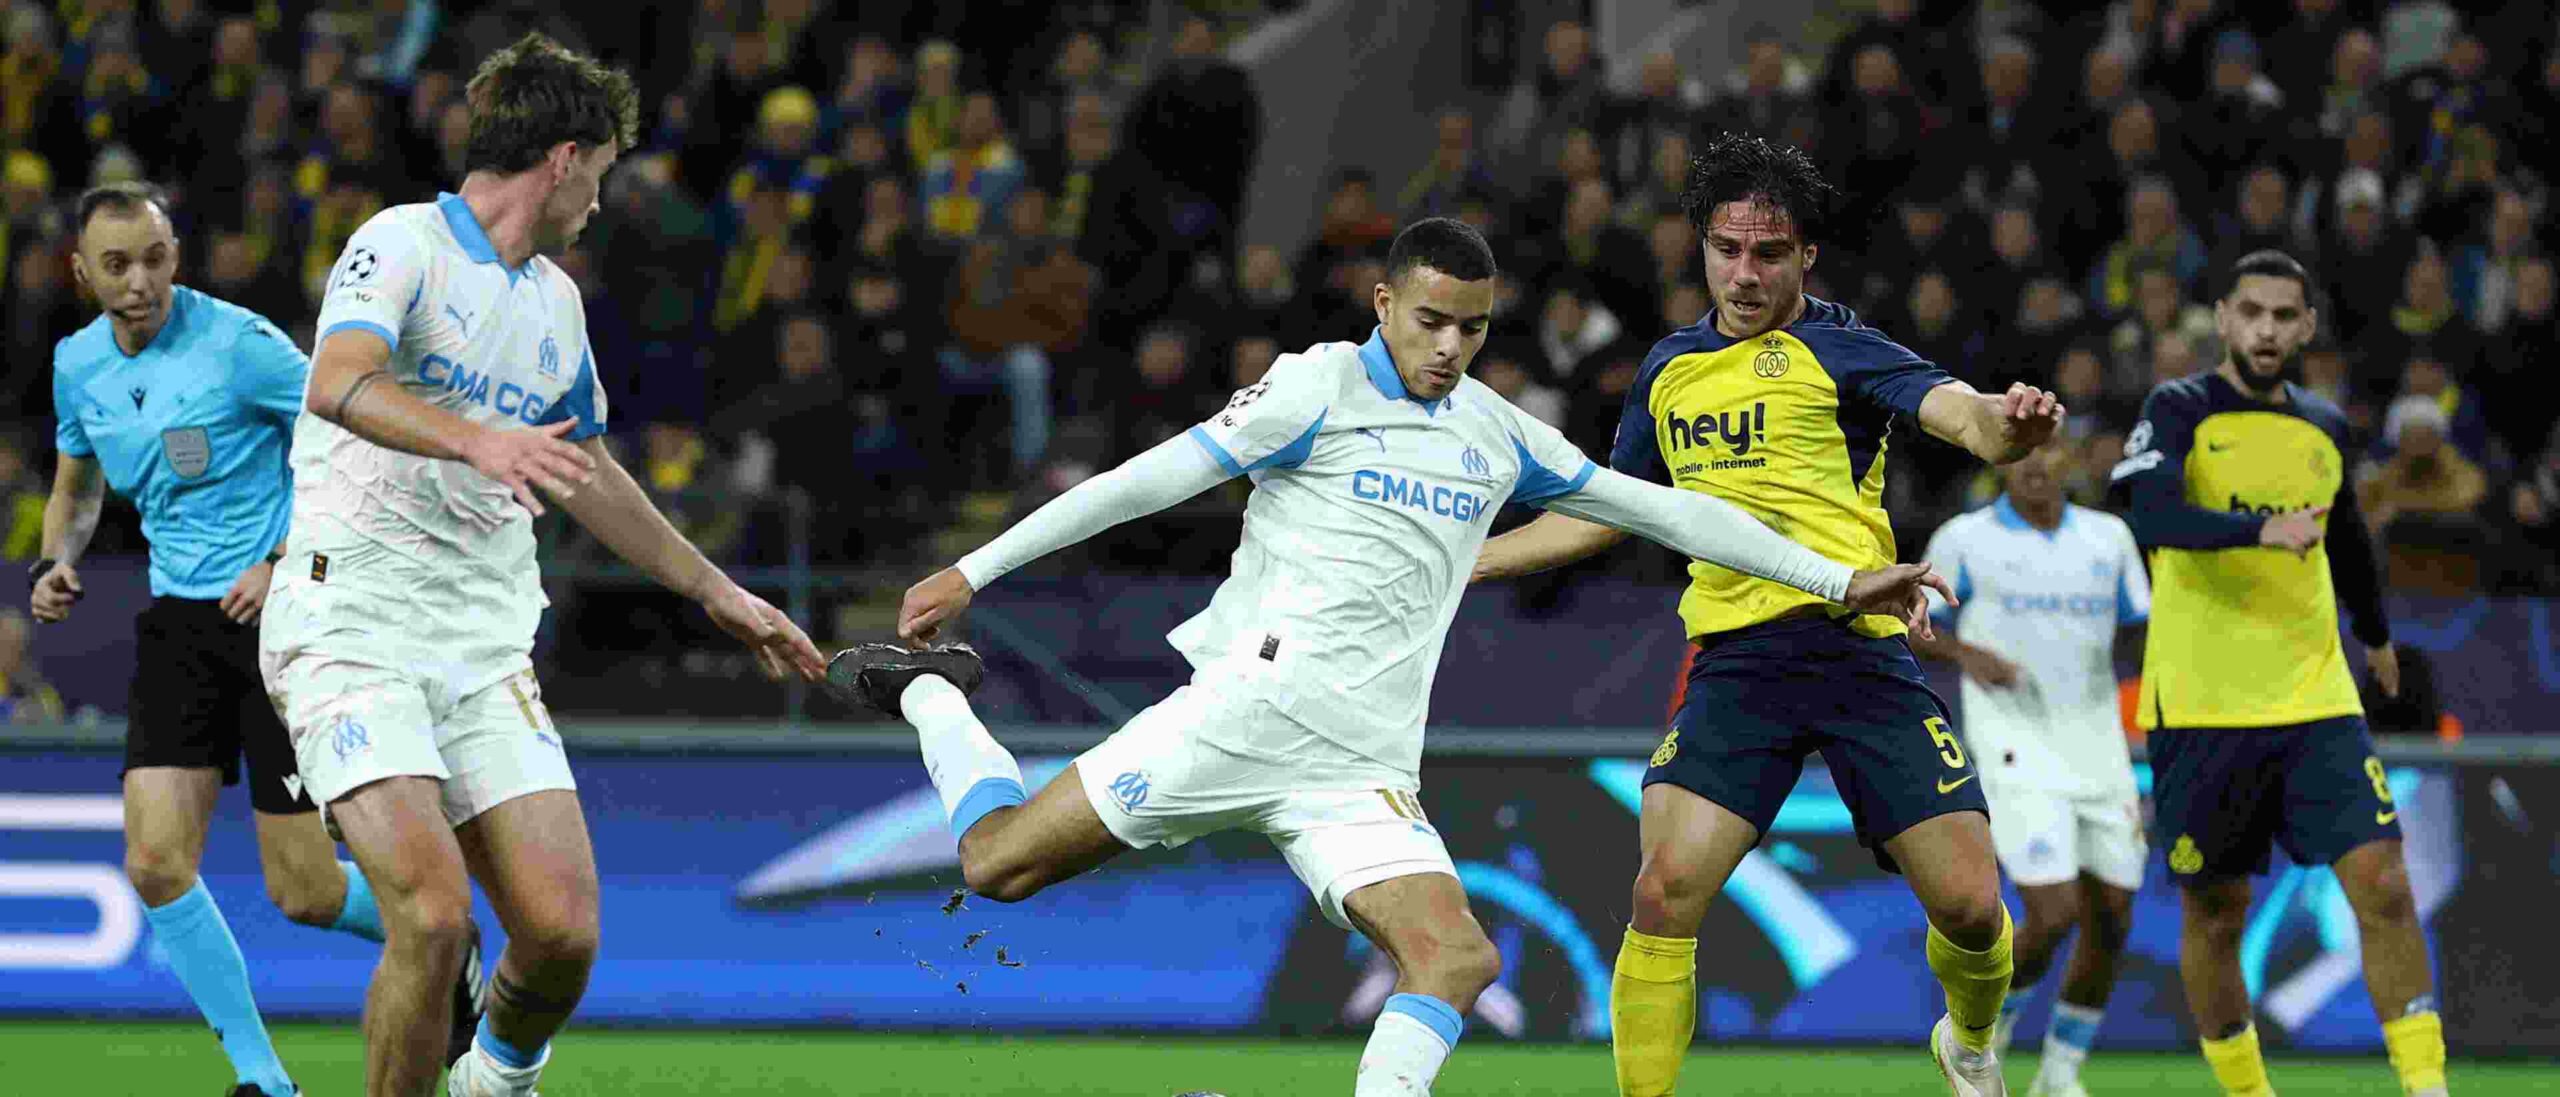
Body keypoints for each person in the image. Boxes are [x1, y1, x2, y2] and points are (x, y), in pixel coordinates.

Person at [825, 218, 1951, 1097]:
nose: (1450, 347)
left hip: (1358, 770)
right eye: (1429, 322)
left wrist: (1841, 579)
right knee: (993, 864)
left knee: (1456, 959)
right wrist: (975, 569)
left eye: (1471, 328)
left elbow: (1670, 511)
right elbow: (1148, 478)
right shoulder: (1314, 386)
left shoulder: (1493, 430)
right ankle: (931, 691)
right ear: (1383, 304)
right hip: (1237, 721)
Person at [266, 33, 827, 1097]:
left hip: (480, 644)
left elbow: (586, 473)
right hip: (352, 622)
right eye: (604, 176)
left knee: (561, 934)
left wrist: (720, 591)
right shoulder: (402, 243)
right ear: (564, 159)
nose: (602, 205)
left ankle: (492, 1081)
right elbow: (336, 381)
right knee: (431, 920)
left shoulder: (555, 304)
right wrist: (474, 437)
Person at [1469, 133, 2068, 1097]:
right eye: (1727, 248)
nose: (1745, 273)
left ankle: (1968, 1040)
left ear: (1806, 258)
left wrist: (2012, 422)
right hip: (1739, 667)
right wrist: (1467, 562)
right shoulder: (1667, 371)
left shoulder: (1843, 346)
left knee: (1967, 905)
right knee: (1662, 893)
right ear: (1701, 246)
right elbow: (1607, 513)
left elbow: (1968, 417)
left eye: (1770, 253)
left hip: (1859, 652)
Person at [32, 182, 479, 1097]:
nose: (139, 280)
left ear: (175, 258)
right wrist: (56, 559)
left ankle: (448, 938)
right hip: (178, 622)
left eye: (154, 259)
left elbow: (350, 438)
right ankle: (263, 1080)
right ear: (82, 272)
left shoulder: (238, 345)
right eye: (116, 264)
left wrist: (282, 557)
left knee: (305, 893)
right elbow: (76, 486)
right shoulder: (77, 365)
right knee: (155, 862)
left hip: (284, 624)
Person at [2108, 250, 2446, 1097]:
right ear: (2222, 318)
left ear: (2306, 327)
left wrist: (2375, 636)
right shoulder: (2178, 408)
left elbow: (2347, 539)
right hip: (2201, 702)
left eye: (2282, 316)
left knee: (2386, 881)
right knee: (2216, 917)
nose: (2266, 329)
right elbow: (2148, 510)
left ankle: (2428, 1086)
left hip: (2314, 696)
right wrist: (2254, 533)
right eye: (2250, 312)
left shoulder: (2326, 426)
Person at [1912, 440, 2151, 1097]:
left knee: (2114, 914)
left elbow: (2140, 627)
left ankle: (2060, 1073)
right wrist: (1966, 653)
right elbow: (1911, 625)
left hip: (2100, 748)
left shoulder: (2110, 538)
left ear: (2071, 458)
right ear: (2000, 461)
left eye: (2050, 451)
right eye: (2022, 453)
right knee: (2051, 912)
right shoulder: (1964, 538)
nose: (2037, 464)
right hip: (2012, 744)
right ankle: (1978, 1035)